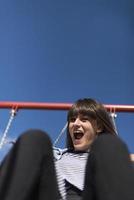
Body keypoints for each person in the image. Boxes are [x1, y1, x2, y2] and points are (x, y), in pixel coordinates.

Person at [0, 98, 133, 200]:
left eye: (84, 119)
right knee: (35, 137)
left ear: (98, 127)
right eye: (72, 119)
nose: (75, 124)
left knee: (109, 144)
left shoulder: (109, 157)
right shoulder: (57, 155)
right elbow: (26, 153)